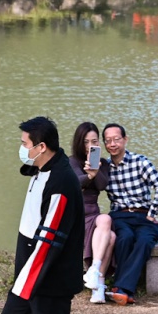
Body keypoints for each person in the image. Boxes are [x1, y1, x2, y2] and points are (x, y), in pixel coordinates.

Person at [0, 117, 84, 314]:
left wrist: (27, 282)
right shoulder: (43, 168)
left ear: (42, 147)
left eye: (25, 144)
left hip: (49, 278)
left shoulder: (61, 182)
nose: (22, 149)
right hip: (30, 273)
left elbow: (49, 242)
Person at [101, 123, 158, 307]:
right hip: (120, 216)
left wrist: (153, 212)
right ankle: (125, 290)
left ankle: (120, 288)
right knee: (124, 238)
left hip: (144, 216)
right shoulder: (104, 168)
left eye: (116, 139)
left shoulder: (140, 162)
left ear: (125, 139)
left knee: (145, 240)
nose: (112, 144)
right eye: (108, 141)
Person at [71, 123, 113, 303]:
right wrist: (88, 176)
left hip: (94, 213)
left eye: (94, 141)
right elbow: (75, 183)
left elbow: (103, 185)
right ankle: (99, 286)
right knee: (110, 237)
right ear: (79, 143)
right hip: (77, 214)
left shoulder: (102, 163)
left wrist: (96, 172)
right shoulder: (71, 161)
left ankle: (94, 270)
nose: (89, 145)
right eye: (86, 141)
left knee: (105, 219)